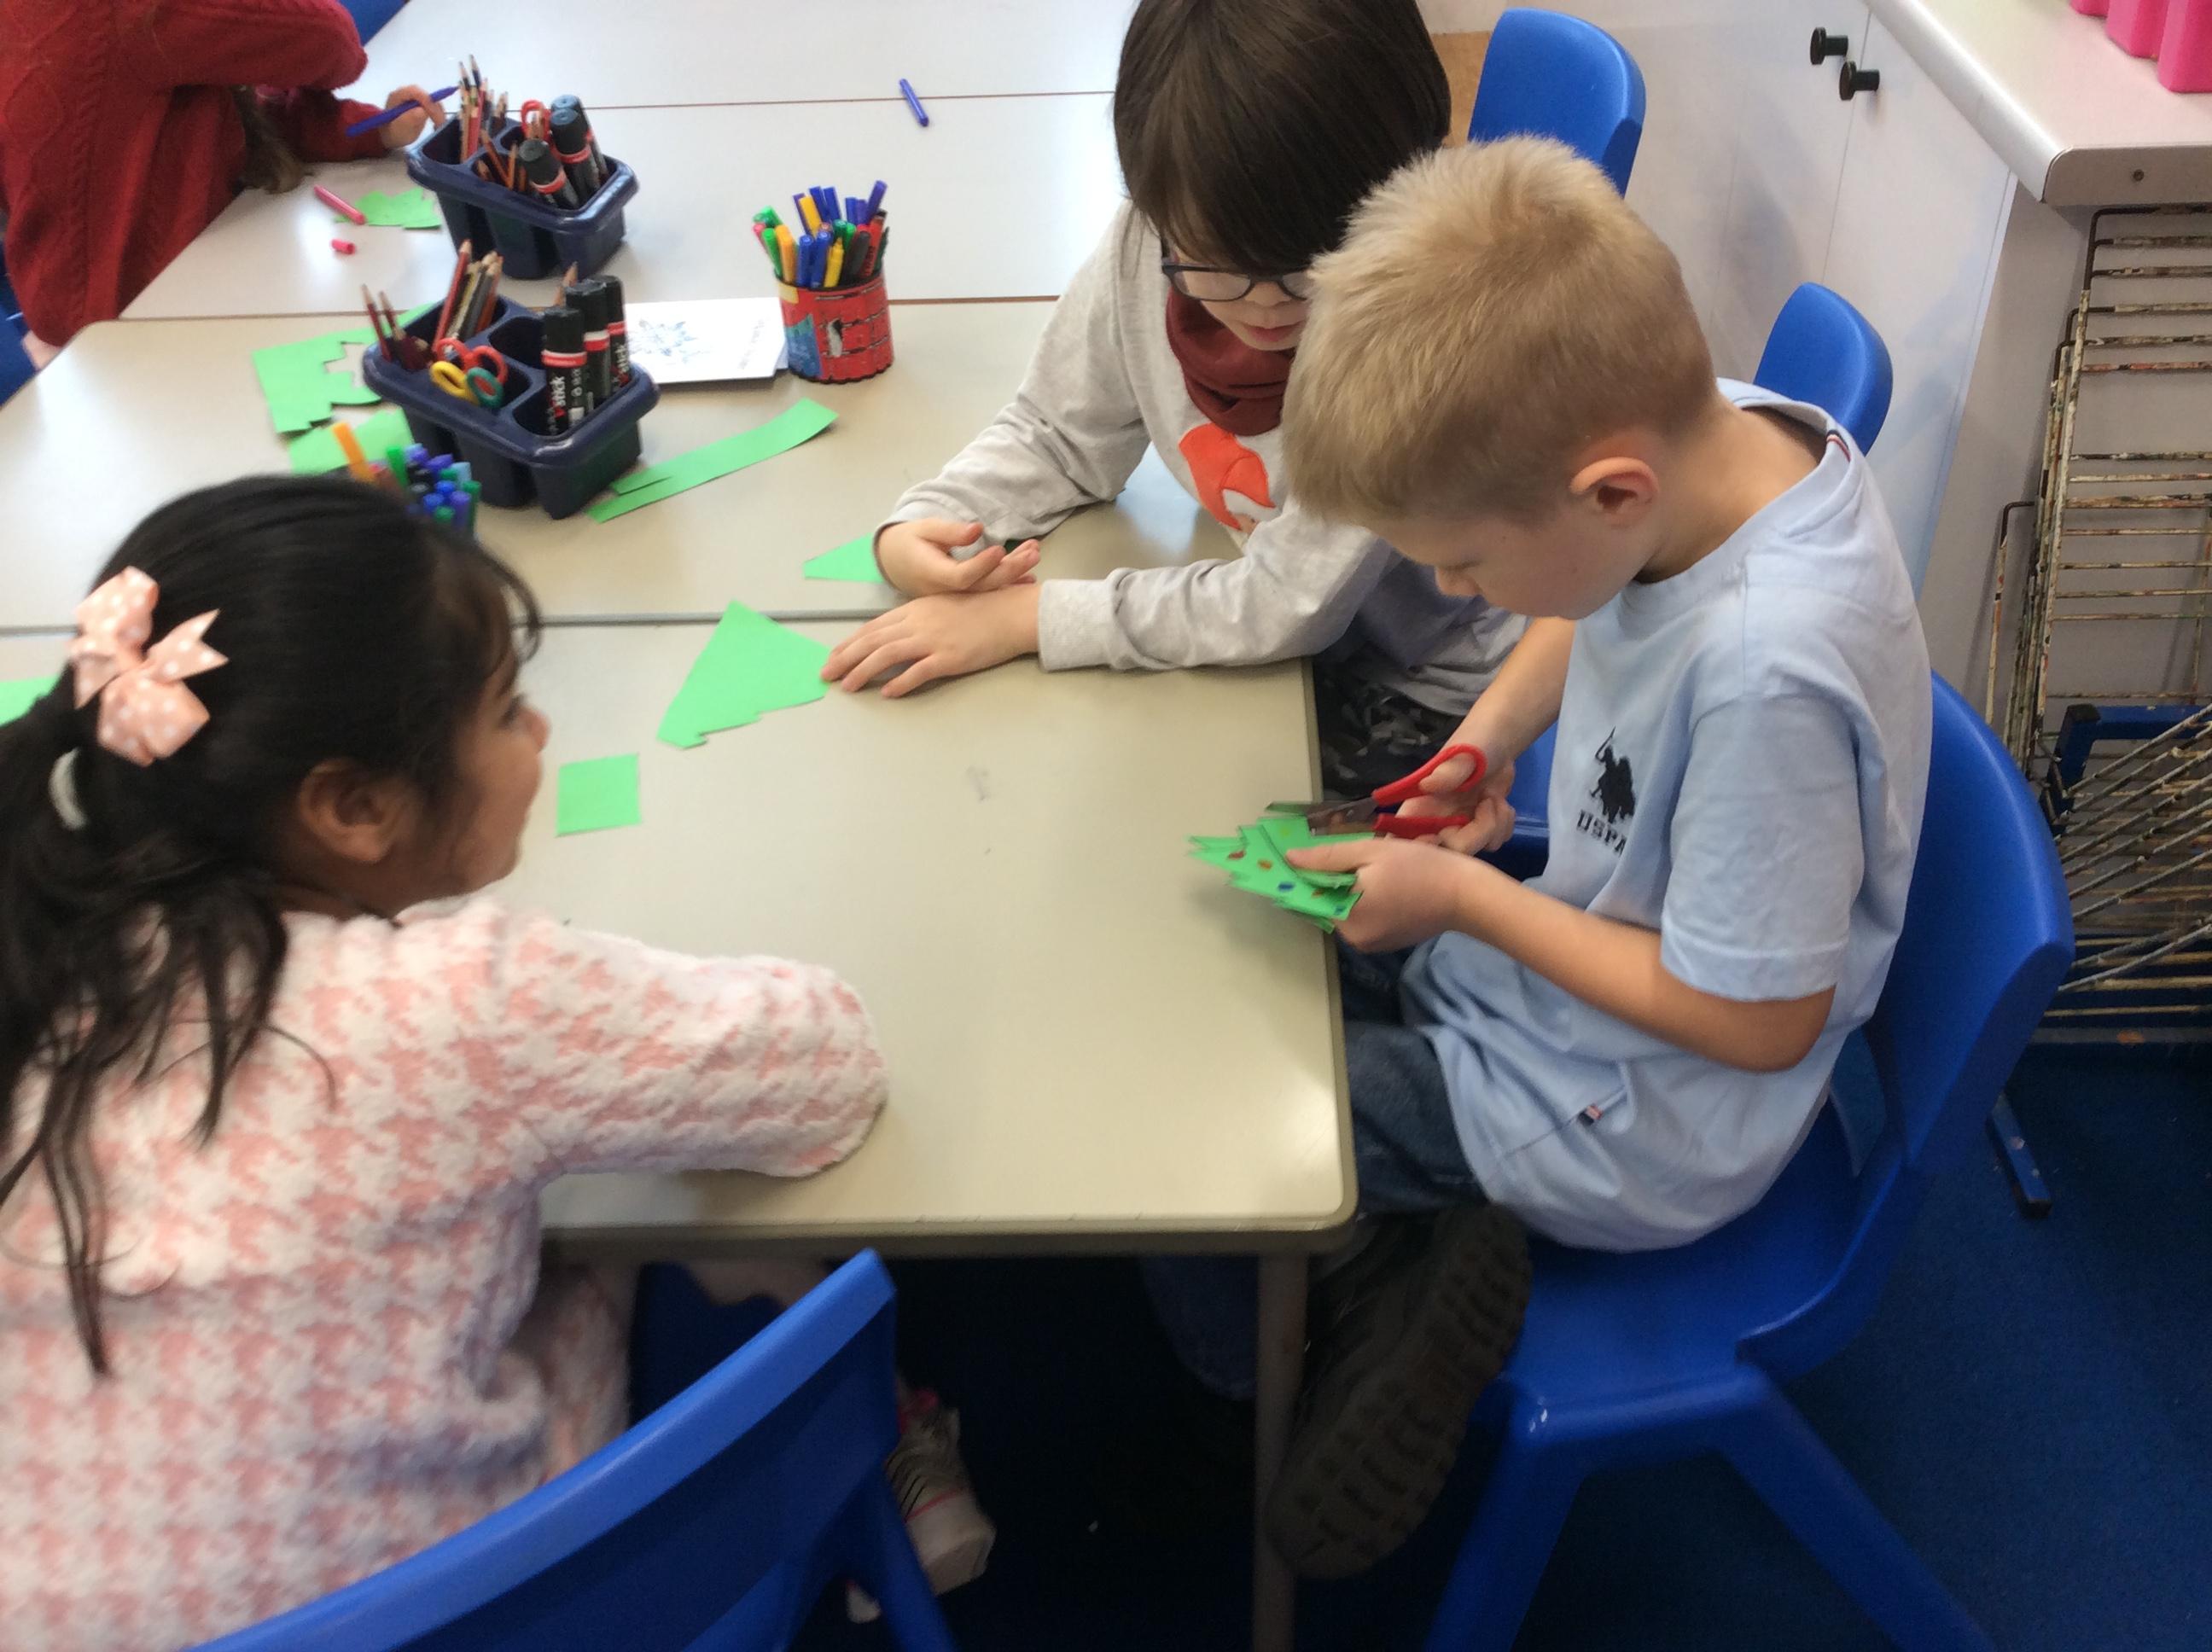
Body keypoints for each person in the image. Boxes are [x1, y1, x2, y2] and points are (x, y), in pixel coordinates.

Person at [0, 479, 987, 1649]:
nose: (541, 734)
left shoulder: (38, 952)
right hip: (483, 1610)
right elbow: (828, 1072)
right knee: (660, 1220)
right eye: (508, 709)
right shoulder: (466, 1001)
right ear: (353, 807)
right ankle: (895, 1441)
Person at [1155, 137, 1934, 1579]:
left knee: (1213, 1121)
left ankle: (1321, 1328)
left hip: (1645, 1113)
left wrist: (1467, 897)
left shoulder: (1766, 676)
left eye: (1463, 566)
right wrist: (1488, 740)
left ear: (1610, 490)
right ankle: (1398, 1241)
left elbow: (1758, 1023)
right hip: (1575, 983)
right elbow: (1594, 596)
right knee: (1254, 945)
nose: (1453, 592)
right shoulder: (1717, 429)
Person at [819, 0, 1523, 797]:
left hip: (1417, 678)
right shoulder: (1153, 241)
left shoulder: (1407, 324)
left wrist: (1026, 619)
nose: (1267, 303)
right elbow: (1060, 432)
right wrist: (931, 521)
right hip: (1282, 634)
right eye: (1215, 263)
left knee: (1184, 819)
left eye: (1318, 260)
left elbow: (1285, 606)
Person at [0, 0, 444, 362]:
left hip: (120, 313)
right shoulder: (131, 14)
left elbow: (227, 121)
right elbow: (334, 42)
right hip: (138, 335)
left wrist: (370, 130)